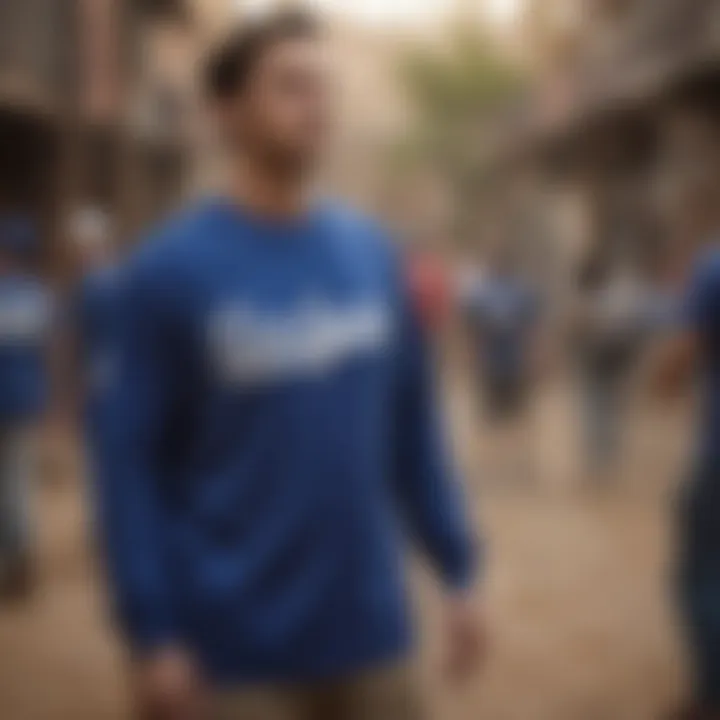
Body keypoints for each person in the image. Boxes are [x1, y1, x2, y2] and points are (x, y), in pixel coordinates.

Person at [95, 11, 484, 720]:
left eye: (324, 87)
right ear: (227, 114)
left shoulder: (371, 256)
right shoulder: (166, 274)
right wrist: (152, 633)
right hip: (234, 659)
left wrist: (458, 571)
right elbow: (131, 466)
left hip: (372, 643)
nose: (318, 104)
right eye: (291, 87)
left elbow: (413, 431)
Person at [653, 98, 720, 720]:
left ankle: (709, 692)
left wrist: (664, 378)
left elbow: (673, 367)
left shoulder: (713, 267)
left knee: (700, 573)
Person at [0, 214, 52, 599]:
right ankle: (20, 563)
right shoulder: (39, 295)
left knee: (12, 487)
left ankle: (14, 563)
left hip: (11, 402)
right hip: (26, 401)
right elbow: (51, 350)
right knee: (18, 485)